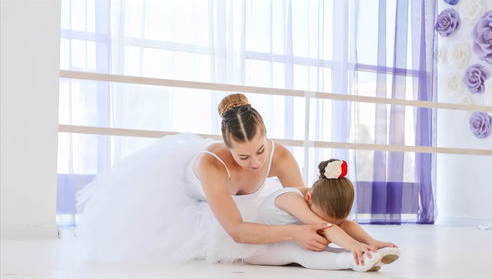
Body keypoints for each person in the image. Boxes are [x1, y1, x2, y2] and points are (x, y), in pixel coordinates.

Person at [75, 93, 331, 263]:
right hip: (187, 191)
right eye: (243, 157)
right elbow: (237, 232)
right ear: (228, 149)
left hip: (236, 196)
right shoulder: (212, 165)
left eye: (260, 150)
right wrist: (295, 233)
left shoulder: (281, 157)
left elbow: (302, 206)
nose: (256, 163)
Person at [245, 159, 400, 272]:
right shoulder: (291, 199)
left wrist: (370, 241)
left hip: (287, 241)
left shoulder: (319, 198)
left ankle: (369, 253)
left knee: (303, 246)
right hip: (256, 249)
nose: (332, 224)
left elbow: (344, 224)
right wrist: (353, 245)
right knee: (295, 250)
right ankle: (353, 260)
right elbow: (326, 227)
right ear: (308, 198)